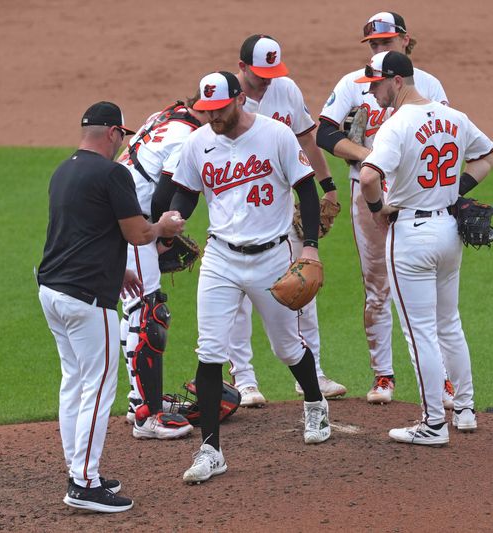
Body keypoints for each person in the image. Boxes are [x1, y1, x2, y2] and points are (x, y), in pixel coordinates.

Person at [166, 71, 332, 484]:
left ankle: (314, 402)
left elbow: (307, 192)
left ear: (239, 100)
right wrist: (174, 218)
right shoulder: (198, 142)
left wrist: (309, 245)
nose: (212, 117)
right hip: (220, 257)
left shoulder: (276, 135)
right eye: (206, 110)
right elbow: (185, 192)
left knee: (287, 348)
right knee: (209, 351)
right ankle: (210, 450)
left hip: (273, 257)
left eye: (219, 109)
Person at [37, 101, 185, 511]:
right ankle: (83, 485)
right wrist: (165, 227)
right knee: (99, 388)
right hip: (86, 299)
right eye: (123, 134)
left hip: (53, 291)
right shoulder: (113, 173)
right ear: (114, 133)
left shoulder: (64, 170)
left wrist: (118, 272)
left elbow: (78, 231)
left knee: (74, 383)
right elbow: (139, 234)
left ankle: (79, 469)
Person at [357, 51, 493, 445]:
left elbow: (368, 176)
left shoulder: (396, 125)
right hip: (448, 232)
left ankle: (434, 423)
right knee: (448, 323)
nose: (373, 91)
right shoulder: (454, 117)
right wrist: (455, 192)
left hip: (411, 237)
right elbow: (489, 155)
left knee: (419, 332)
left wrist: (378, 210)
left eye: (376, 84)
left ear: (397, 80)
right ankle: (465, 411)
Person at [316, 11, 456, 407]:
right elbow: (326, 131)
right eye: (373, 44)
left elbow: (444, 133)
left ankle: (443, 381)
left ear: (405, 41)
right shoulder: (353, 83)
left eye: (385, 42)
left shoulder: (428, 84)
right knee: (376, 284)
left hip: (417, 195)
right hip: (367, 192)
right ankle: (384, 376)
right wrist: (368, 155)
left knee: (426, 290)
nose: (379, 49)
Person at [227, 34, 346, 407]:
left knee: (302, 287)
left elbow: (308, 141)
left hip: (281, 211)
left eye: (271, 73)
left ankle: (313, 374)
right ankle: (244, 381)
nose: (266, 80)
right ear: (242, 67)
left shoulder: (286, 89)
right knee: (238, 299)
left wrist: (327, 187)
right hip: (236, 214)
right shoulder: (226, 100)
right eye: (259, 73)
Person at [115, 95, 209, 440]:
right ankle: (146, 415)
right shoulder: (189, 138)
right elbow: (161, 198)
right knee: (149, 314)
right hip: (135, 220)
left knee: (135, 309)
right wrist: (162, 239)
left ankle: (137, 401)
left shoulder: (166, 115)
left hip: (119, 213)